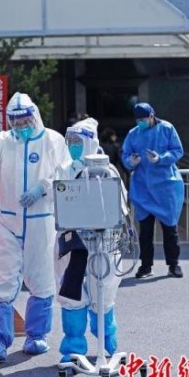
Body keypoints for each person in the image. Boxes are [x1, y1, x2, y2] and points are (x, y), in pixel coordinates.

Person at [0, 92, 70, 363]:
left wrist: (42, 188)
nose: (21, 126)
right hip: (8, 221)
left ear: (34, 116)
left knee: (42, 276)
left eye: (25, 120)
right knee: (1, 276)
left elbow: (66, 174)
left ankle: (37, 335)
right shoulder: (1, 142)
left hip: (41, 220)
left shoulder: (52, 140)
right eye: (16, 122)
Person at [54, 118, 127, 363]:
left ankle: (108, 343)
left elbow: (120, 205)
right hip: (73, 242)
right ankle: (73, 349)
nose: (73, 145)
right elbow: (56, 201)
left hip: (104, 242)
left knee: (103, 292)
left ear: (91, 142)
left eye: (78, 141)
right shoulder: (64, 169)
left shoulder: (108, 170)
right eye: (71, 140)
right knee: (71, 293)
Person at [122, 103, 184, 279]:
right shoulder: (133, 134)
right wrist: (131, 162)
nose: (140, 123)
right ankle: (146, 266)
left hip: (165, 187)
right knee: (145, 232)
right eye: (138, 120)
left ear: (151, 116)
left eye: (143, 119)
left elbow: (177, 151)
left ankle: (174, 265)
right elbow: (125, 155)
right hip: (143, 188)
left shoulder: (167, 129)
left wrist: (161, 158)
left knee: (170, 230)